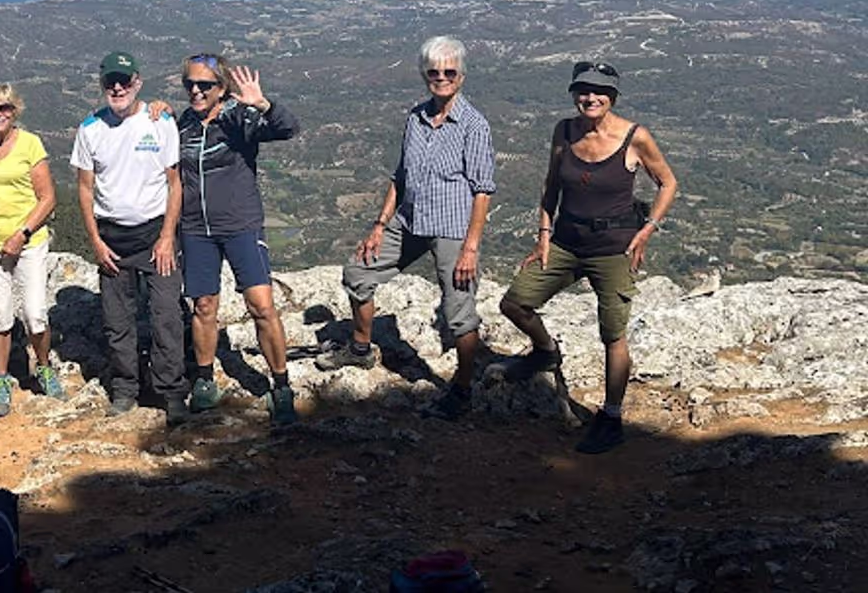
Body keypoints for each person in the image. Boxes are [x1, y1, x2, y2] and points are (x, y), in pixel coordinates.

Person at [499, 61, 678, 454]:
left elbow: (667, 182)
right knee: (515, 302)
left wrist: (648, 228)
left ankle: (611, 417)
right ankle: (546, 352)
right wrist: (543, 234)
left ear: (612, 97)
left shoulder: (635, 137)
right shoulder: (563, 131)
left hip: (614, 248)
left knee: (612, 334)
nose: (590, 98)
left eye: (599, 92)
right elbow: (551, 185)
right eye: (582, 90)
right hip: (566, 240)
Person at [316, 36, 496, 421]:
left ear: (461, 77)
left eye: (449, 72)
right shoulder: (415, 118)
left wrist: (470, 247)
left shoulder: (474, 126)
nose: (442, 78)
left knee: (458, 310)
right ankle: (361, 349)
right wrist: (380, 224)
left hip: (453, 228)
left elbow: (483, 190)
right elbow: (400, 175)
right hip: (410, 219)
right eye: (434, 72)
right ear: (424, 75)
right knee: (358, 273)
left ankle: (463, 390)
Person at [177, 54, 301, 427]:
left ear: (222, 89)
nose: (196, 91)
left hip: (242, 225)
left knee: (261, 304)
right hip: (196, 228)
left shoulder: (239, 118)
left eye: (205, 85)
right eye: (190, 85)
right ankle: (203, 381)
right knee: (203, 306)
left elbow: (288, 129)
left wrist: (262, 104)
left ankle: (281, 385)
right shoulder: (181, 124)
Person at [71, 51, 188, 425]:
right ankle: (125, 389)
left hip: (156, 236)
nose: (117, 88)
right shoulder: (89, 129)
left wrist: (168, 236)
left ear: (137, 82)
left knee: (166, 315)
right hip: (112, 239)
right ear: (102, 85)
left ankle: (171, 392)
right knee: (117, 320)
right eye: (110, 82)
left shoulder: (160, 121)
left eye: (124, 80)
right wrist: (96, 242)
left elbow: (175, 184)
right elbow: (85, 190)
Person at [0, 83, 62, 418]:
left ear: (14, 110)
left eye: (4, 108)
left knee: (36, 312)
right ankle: (1, 378)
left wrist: (22, 234)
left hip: (29, 240)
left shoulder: (29, 144)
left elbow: (48, 197)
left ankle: (43, 366)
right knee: (0, 314)